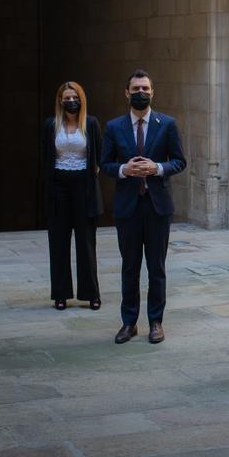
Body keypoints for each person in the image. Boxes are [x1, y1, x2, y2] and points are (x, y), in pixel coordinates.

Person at [102, 70, 186, 345]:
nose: (141, 93)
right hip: (127, 207)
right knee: (130, 267)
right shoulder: (114, 127)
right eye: (136, 89)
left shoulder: (167, 124)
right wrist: (125, 169)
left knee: (156, 267)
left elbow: (180, 161)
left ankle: (155, 322)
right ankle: (128, 323)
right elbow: (105, 165)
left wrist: (157, 168)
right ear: (127, 93)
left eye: (146, 89)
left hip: (157, 206)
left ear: (153, 92)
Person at [42, 81, 104, 311]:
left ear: (81, 99)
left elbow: (99, 153)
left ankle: (91, 294)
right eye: (66, 98)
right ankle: (60, 294)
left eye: (74, 97)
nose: (70, 101)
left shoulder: (91, 123)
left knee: (86, 242)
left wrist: (93, 172)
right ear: (60, 101)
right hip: (58, 186)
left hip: (84, 187)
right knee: (58, 242)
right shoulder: (51, 125)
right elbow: (46, 157)